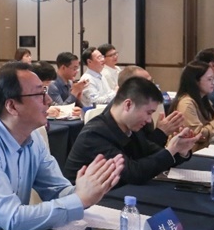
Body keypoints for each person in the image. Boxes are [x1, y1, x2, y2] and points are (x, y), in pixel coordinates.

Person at [0, 63, 123, 230]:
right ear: (12, 106)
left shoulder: (32, 136)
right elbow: (12, 219)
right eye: (39, 94)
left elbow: (57, 191)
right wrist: (79, 199)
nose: (48, 100)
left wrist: (88, 190)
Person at [64, 77, 198, 184]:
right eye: (148, 113)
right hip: (85, 203)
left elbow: (152, 154)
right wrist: (171, 150)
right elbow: (133, 173)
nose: (149, 120)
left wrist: (181, 151)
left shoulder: (131, 127)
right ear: (128, 105)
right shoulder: (94, 134)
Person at [169, 61, 214, 152]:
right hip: (189, 154)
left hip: (204, 149)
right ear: (196, 81)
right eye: (209, 79)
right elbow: (197, 136)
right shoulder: (186, 104)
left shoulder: (204, 99)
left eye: (213, 78)